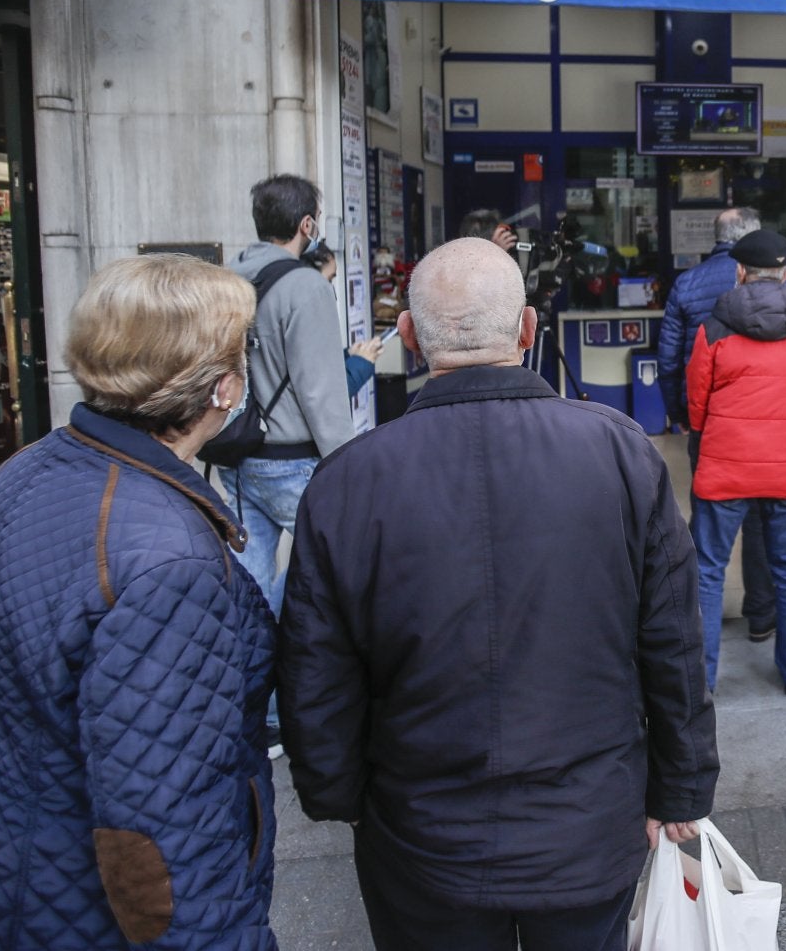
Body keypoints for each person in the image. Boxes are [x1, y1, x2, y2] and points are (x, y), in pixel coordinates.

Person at [279, 238, 718, 951]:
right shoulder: (620, 451)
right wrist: (682, 786)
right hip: (588, 822)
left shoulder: (348, 481)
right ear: (527, 331)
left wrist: (336, 793)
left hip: (421, 833)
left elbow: (315, 667)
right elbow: (671, 635)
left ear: (414, 339)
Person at [0, 255, 276, 948]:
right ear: (224, 388)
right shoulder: (165, 558)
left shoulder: (19, 473)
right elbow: (165, 838)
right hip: (81, 910)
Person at [224, 175, 356, 756]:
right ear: (307, 225)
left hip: (233, 455)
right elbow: (320, 388)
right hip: (293, 462)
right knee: (308, 589)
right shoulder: (303, 287)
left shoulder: (231, 278)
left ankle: (240, 707)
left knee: (245, 589)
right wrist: (348, 464)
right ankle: (284, 709)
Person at [686, 229, 786, 697]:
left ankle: (704, 681)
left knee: (709, 571)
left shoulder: (713, 328)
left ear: (740, 273)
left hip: (724, 471)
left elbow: (697, 405)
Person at [658, 207, 781, 642]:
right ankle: (762, 615)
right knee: (763, 520)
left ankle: (698, 625)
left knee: (709, 522)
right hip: (769, 422)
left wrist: (680, 414)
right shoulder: (782, 282)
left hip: (709, 422)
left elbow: (670, 359)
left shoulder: (689, 282)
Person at [302, 239, 386, 395]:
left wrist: (348, 355)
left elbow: (320, 366)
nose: (331, 288)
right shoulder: (302, 322)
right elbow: (329, 394)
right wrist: (363, 361)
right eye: (329, 279)